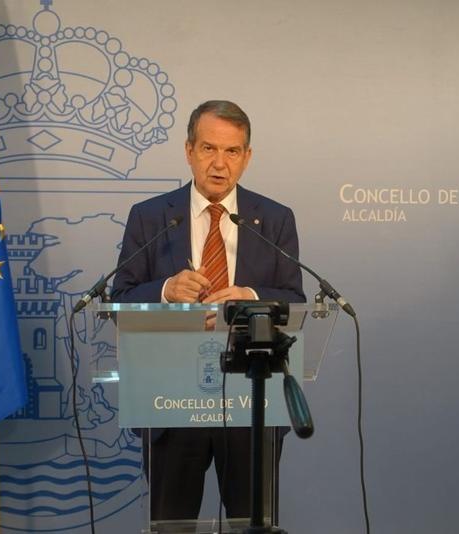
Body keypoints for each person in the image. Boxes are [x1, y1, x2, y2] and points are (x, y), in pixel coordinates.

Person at [111, 100, 305, 522]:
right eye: (208, 149)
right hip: (169, 398)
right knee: (171, 524)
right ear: (189, 151)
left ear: (247, 157)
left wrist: (250, 296)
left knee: (252, 522)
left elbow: (295, 300)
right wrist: (166, 290)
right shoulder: (150, 217)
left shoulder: (274, 219)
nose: (220, 163)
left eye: (232, 151)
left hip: (252, 401)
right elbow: (119, 299)